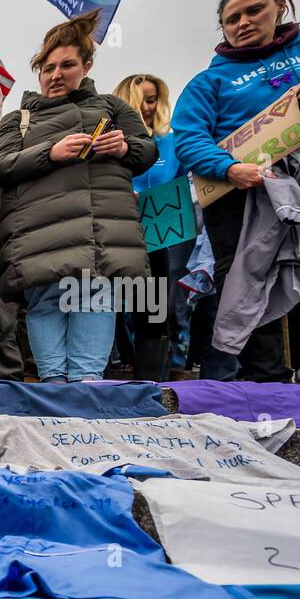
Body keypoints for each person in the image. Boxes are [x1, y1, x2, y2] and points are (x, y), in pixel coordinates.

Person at [0, 11, 156, 383]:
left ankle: (86, 386)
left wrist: (124, 146)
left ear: (87, 66)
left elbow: (147, 153)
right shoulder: (18, 119)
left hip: (101, 230)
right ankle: (52, 384)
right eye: (48, 68)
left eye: (66, 65)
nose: (55, 75)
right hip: (40, 232)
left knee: (95, 299)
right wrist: (52, 152)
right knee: (47, 302)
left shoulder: (112, 108)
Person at [173, 0, 300, 382]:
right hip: (240, 195)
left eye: (254, 10)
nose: (244, 23)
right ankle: (264, 381)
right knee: (244, 281)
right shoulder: (208, 81)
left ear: (281, 6)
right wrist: (229, 167)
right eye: (232, 19)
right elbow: (187, 138)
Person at [114, 73, 188, 380]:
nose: (147, 106)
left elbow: (182, 186)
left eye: (152, 98)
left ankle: (152, 374)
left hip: (159, 232)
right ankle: (117, 361)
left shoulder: (171, 142)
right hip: (116, 231)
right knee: (112, 301)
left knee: (155, 303)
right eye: (141, 99)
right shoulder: (109, 137)